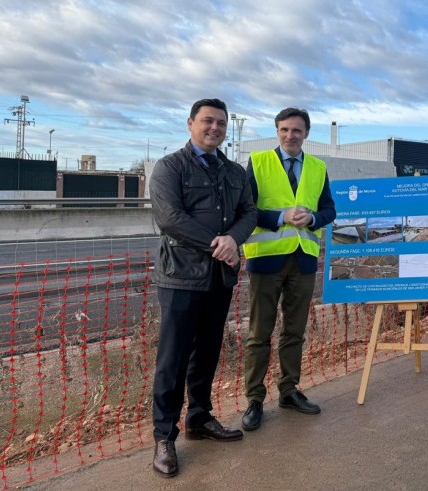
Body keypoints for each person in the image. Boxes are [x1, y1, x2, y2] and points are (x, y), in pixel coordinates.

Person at [149, 98, 257, 478]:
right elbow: (170, 218)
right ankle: (164, 437)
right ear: (190, 123)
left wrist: (234, 238)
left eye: (221, 123)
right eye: (208, 121)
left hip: (218, 278)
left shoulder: (233, 171)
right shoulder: (170, 167)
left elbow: (249, 212)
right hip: (181, 276)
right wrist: (219, 244)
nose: (215, 128)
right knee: (173, 357)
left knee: (208, 351)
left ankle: (199, 417)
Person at [241, 107, 336, 431]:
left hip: (303, 260)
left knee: (294, 332)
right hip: (266, 260)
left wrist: (313, 218)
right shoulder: (258, 162)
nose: (290, 135)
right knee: (259, 334)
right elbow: (246, 209)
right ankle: (254, 399)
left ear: (306, 133)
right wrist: (281, 217)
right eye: (284, 129)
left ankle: (288, 390)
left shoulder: (318, 167)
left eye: (296, 130)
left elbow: (329, 210)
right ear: (277, 131)